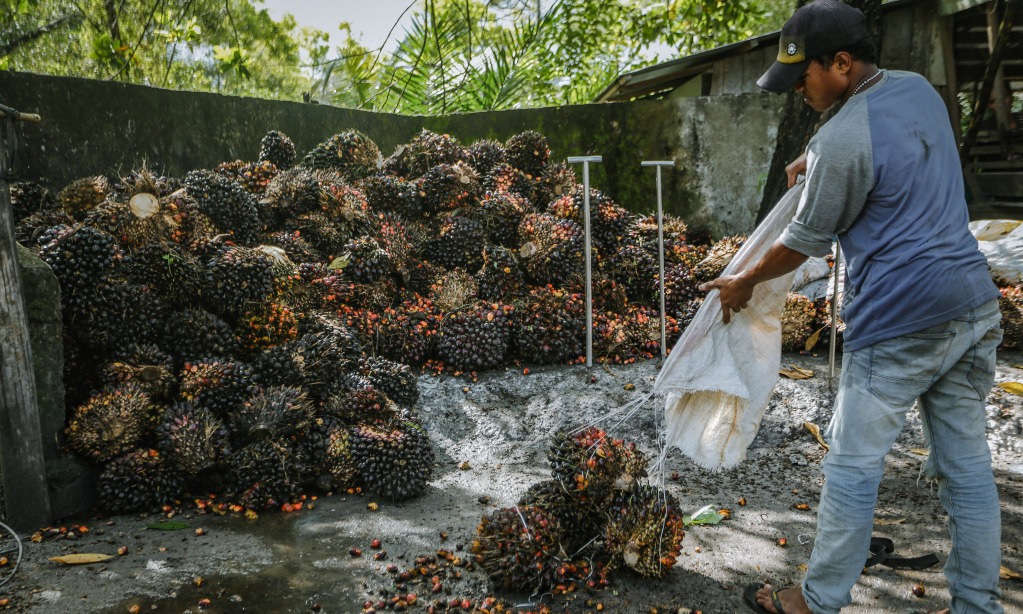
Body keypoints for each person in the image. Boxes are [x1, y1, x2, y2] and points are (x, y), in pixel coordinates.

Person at [699, 1, 1005, 613]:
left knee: (852, 465)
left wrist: (743, 282)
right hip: (972, 306)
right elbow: (887, 151)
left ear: (841, 62)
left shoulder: (840, 139)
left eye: (804, 76)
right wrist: (817, 157)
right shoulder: (917, 90)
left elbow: (801, 244)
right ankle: (979, 605)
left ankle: (816, 600)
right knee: (967, 469)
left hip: (900, 321)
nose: (799, 90)